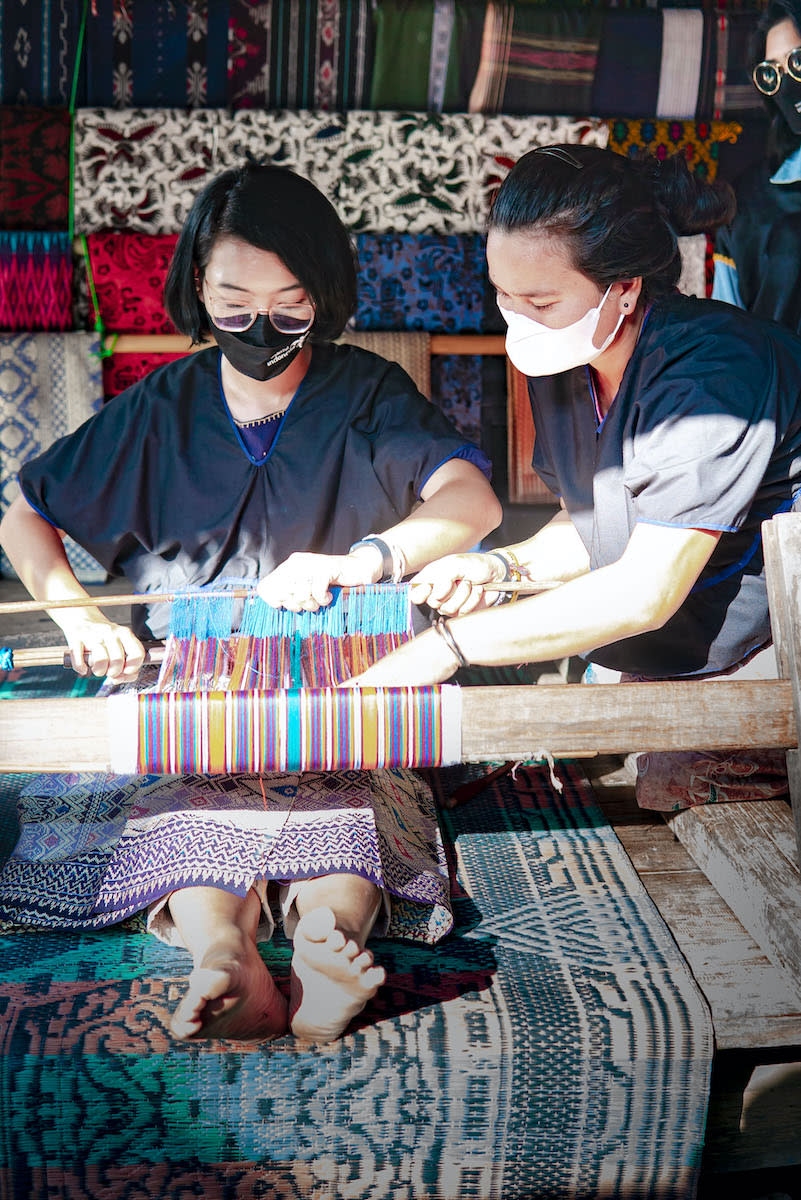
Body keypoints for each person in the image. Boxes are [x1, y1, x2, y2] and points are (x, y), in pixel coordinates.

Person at [0, 163, 501, 1042]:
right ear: (197, 282)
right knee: (191, 793)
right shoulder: (162, 405)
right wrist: (79, 617)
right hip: (192, 677)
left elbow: (470, 501)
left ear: (324, 295)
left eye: (288, 303)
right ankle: (222, 953)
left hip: (348, 674)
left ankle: (325, 939)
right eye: (233, 303)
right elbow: (25, 516)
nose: (260, 327)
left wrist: (363, 560)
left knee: (349, 784)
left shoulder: (365, 393)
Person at [351, 145, 801, 806]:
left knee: (687, 788)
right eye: (503, 296)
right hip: (683, 643)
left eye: (539, 299)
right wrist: (497, 570)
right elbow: (594, 519)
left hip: (768, 642)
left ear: (623, 288)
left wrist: (448, 645)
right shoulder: (567, 362)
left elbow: (642, 591)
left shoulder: (715, 375)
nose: (518, 320)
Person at [713, 0, 801, 332]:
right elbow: (730, 334)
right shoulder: (747, 203)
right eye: (772, 72)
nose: (788, 84)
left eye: (798, 62)